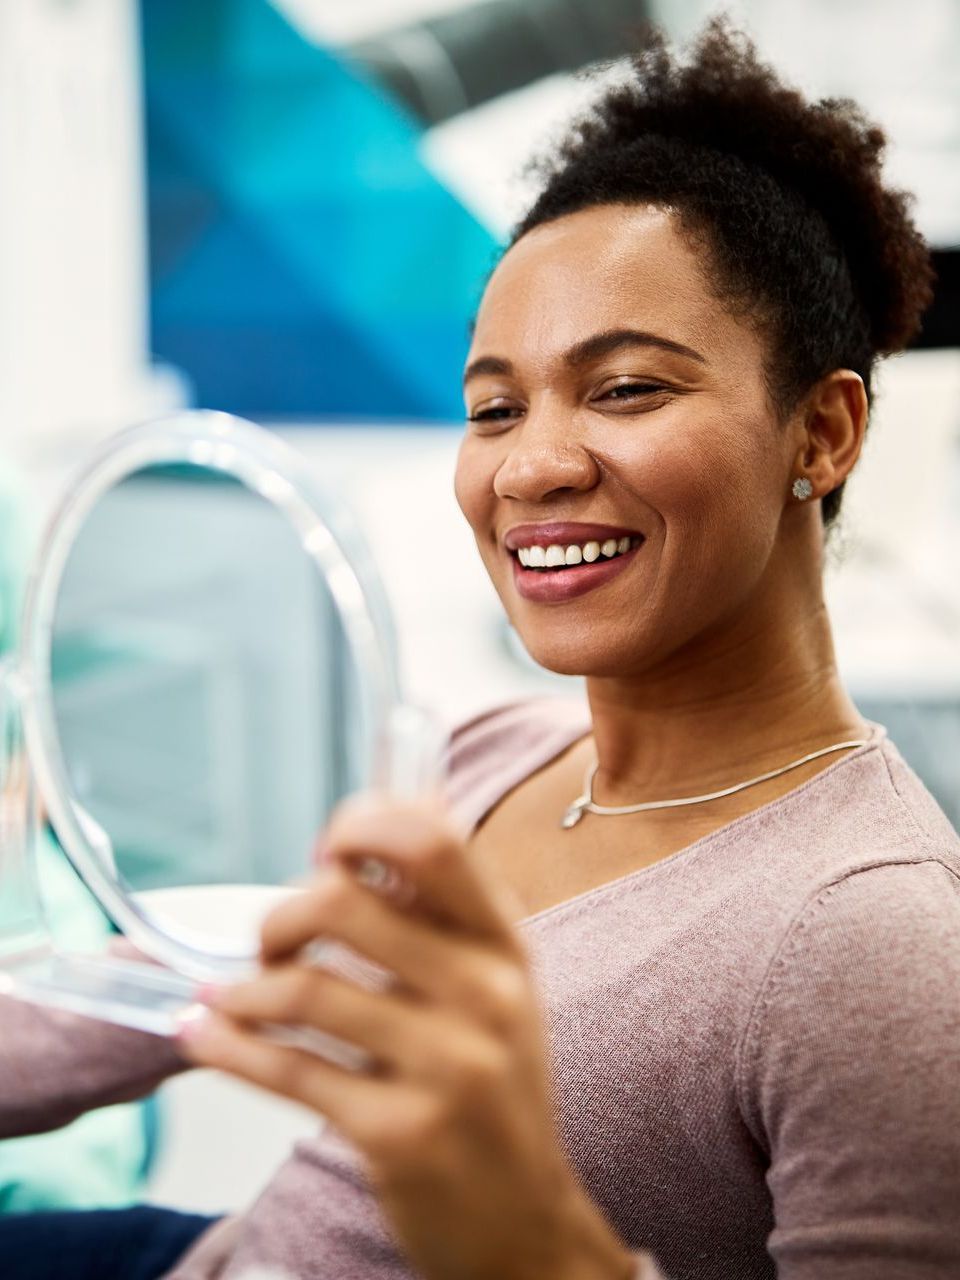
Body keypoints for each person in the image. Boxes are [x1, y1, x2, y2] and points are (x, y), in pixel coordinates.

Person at [1, 18, 958, 1280]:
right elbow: (175, 988)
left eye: (627, 388)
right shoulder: (491, 757)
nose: (534, 465)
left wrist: (531, 1242)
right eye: (494, 407)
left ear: (823, 432)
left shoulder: (877, 942)